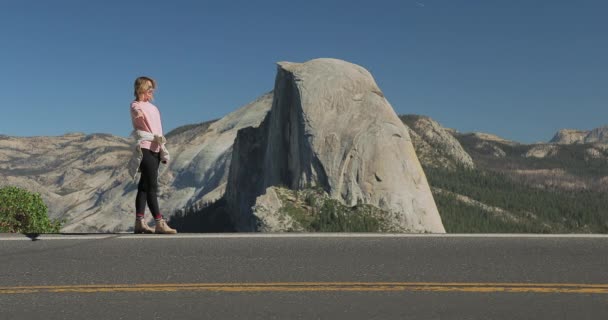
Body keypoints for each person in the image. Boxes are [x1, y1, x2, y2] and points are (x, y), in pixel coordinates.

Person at [130, 76, 177, 234]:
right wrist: (138, 113)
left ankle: (139, 222)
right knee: (151, 186)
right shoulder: (136, 105)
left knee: (144, 186)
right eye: (149, 88)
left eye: (152, 88)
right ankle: (159, 222)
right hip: (145, 148)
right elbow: (135, 109)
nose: (152, 91)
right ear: (141, 89)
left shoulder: (154, 108)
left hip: (156, 148)